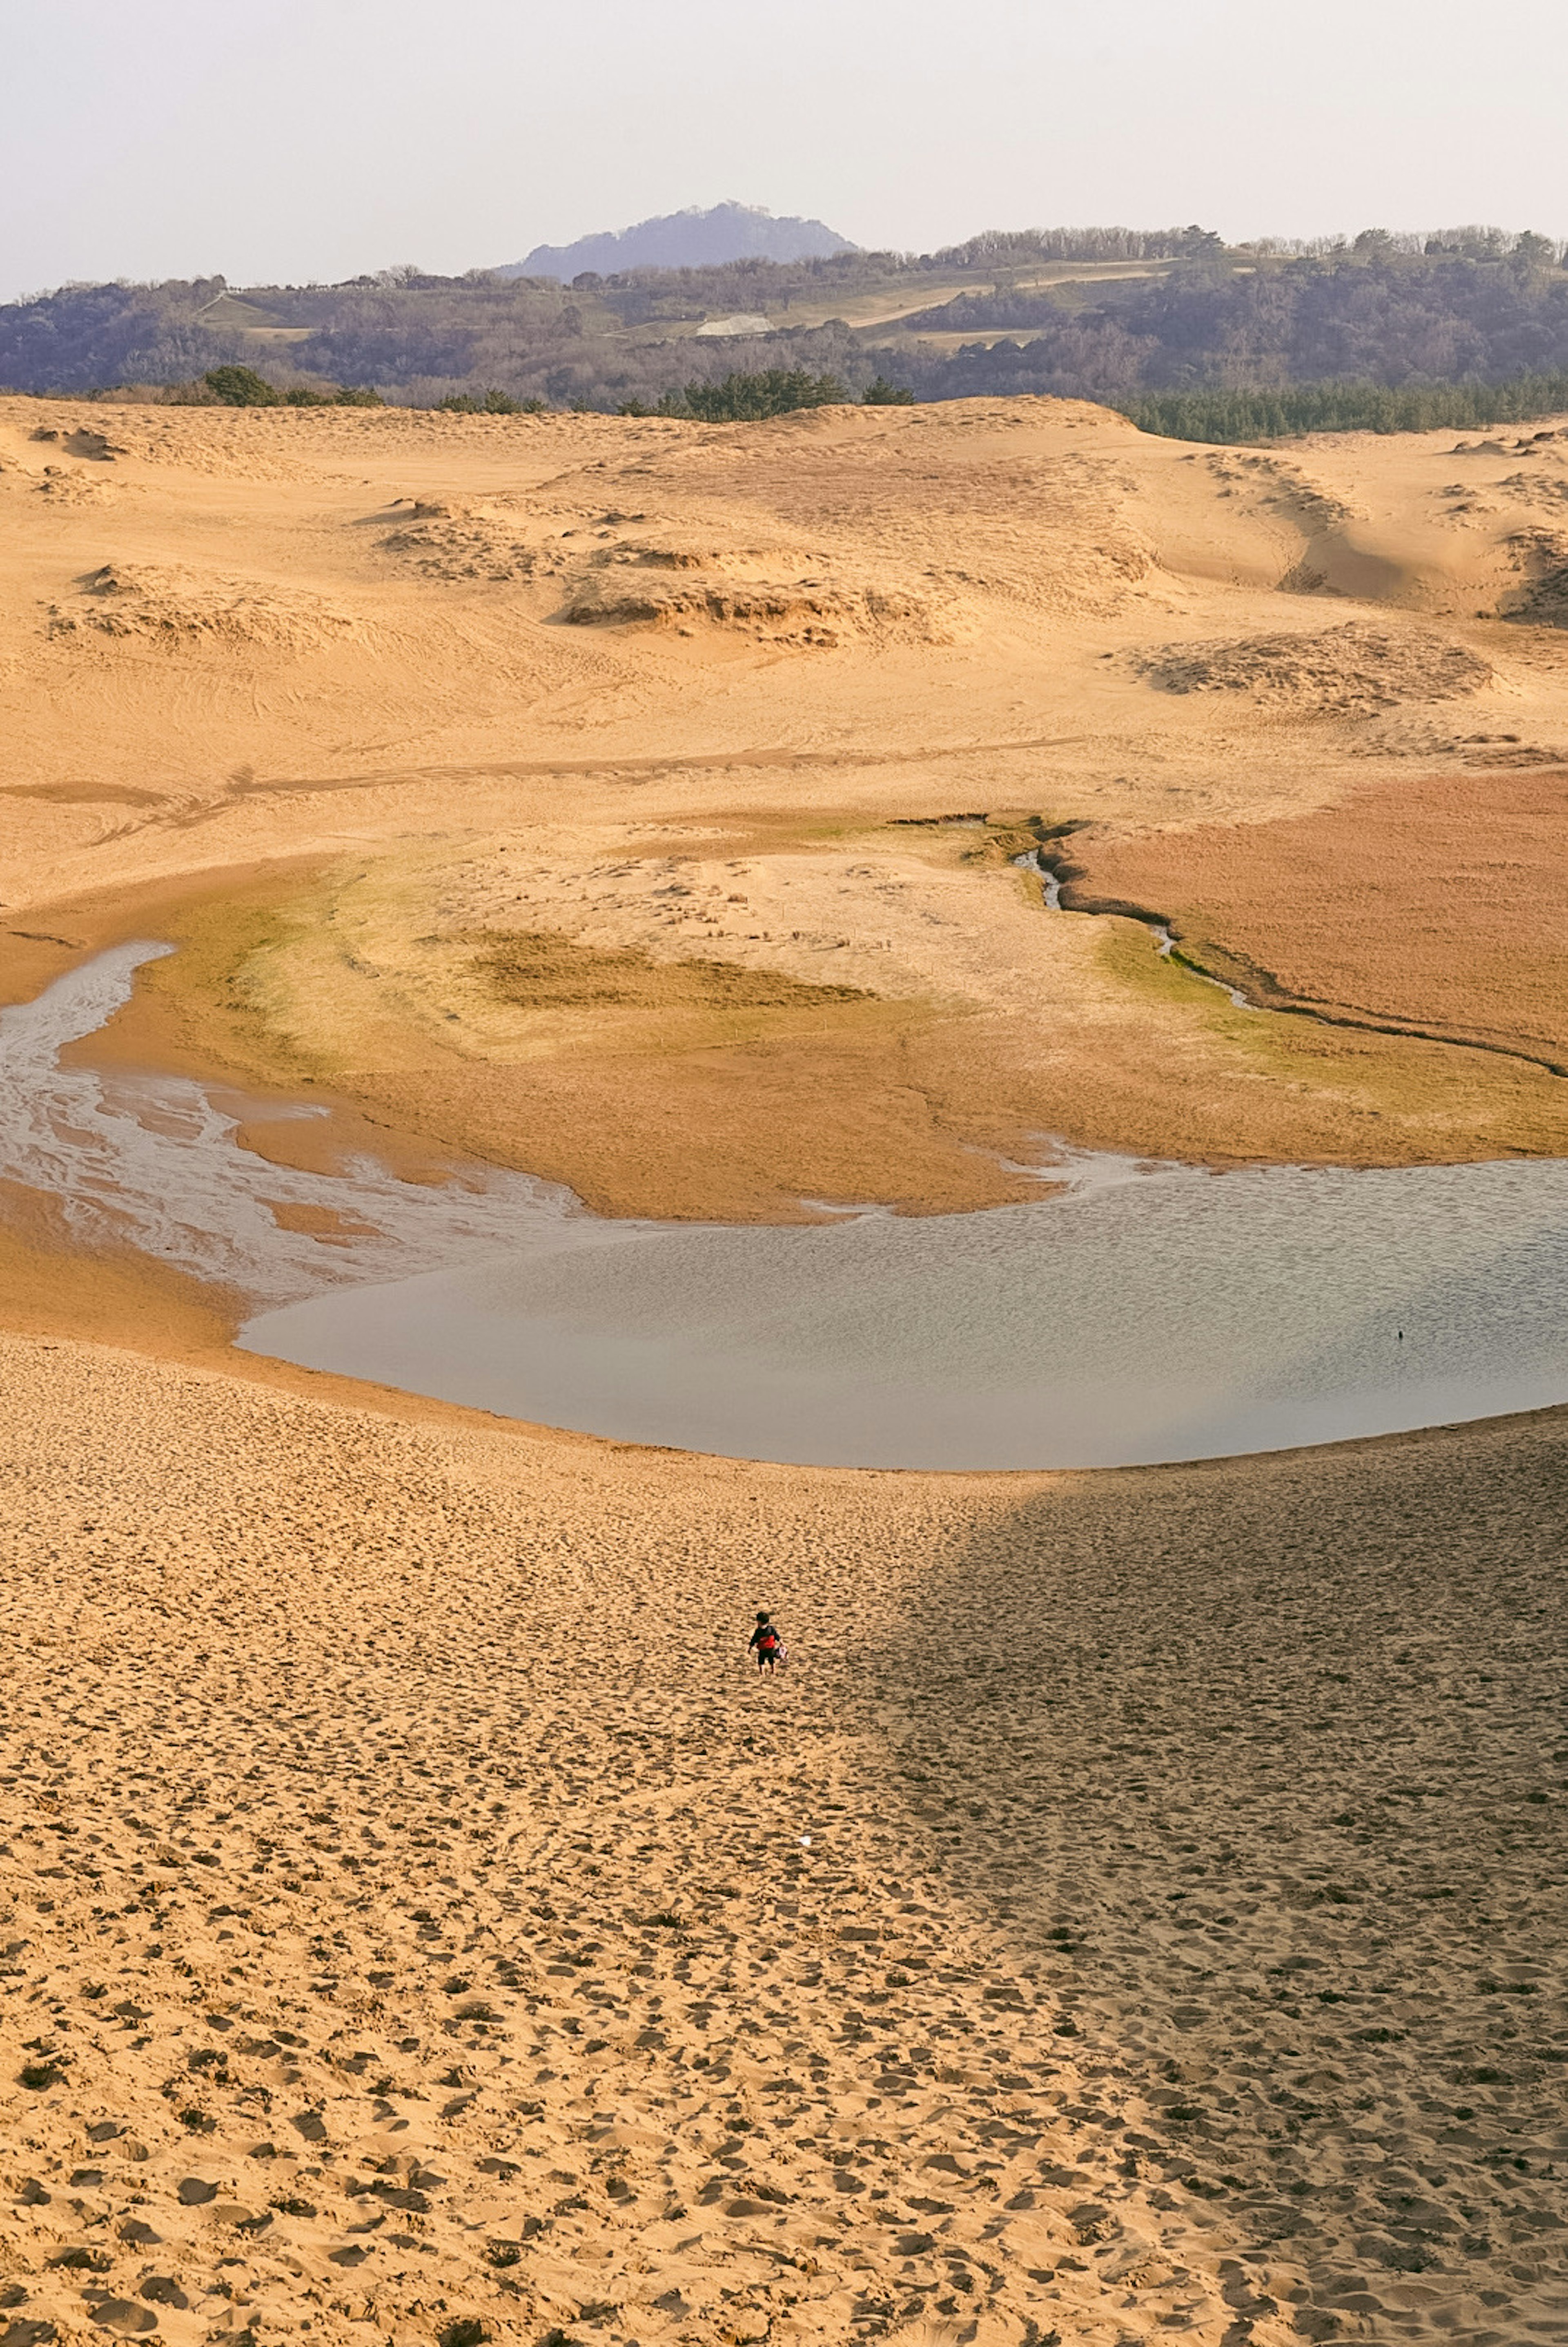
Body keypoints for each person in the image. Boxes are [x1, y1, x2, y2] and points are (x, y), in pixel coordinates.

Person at [748, 1610, 785, 1675]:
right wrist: (782, 1643)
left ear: (759, 1622)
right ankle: (773, 1671)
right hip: (771, 1648)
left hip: (762, 1650)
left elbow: (754, 1640)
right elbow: (777, 1637)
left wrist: (750, 1647)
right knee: (772, 1661)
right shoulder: (771, 1629)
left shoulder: (758, 1631)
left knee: (761, 1662)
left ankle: (762, 1673)